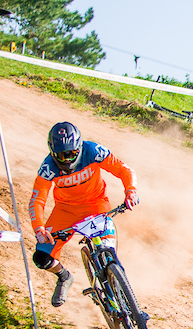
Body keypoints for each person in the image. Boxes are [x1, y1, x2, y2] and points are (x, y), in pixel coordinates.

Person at [29, 122, 140, 307]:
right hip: (65, 211)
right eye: (59, 155)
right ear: (51, 151)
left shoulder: (93, 151)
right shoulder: (47, 168)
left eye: (70, 154)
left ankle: (125, 296)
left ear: (79, 147)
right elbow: (37, 200)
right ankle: (64, 277)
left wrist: (131, 190)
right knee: (42, 257)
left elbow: (123, 170)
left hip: (95, 205)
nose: (65, 160)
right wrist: (39, 228)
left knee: (106, 251)